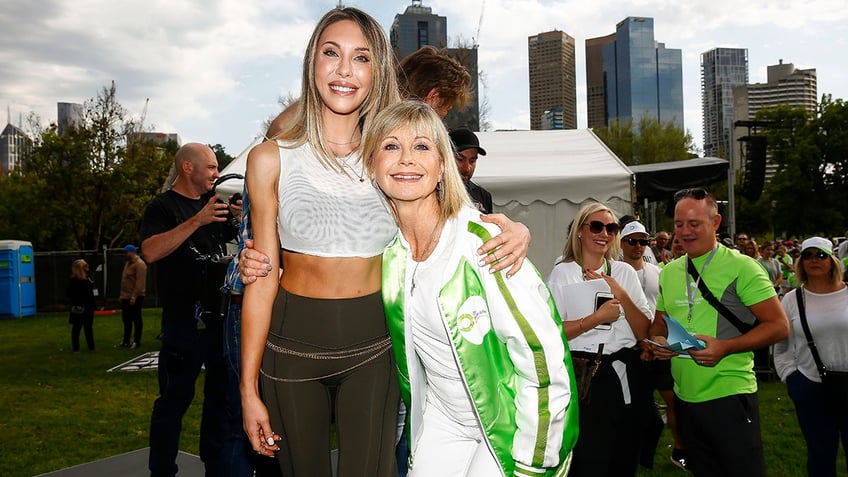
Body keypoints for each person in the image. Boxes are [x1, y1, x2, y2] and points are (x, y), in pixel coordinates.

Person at [240, 10, 532, 477]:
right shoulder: (270, 158)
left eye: (362, 58)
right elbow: (261, 278)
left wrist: (515, 230)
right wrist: (247, 389)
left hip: (374, 348)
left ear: (378, 72)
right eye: (330, 53)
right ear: (311, 61)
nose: (343, 70)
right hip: (288, 351)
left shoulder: (389, 157)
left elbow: (451, 217)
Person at [362, 99, 577, 476]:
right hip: (442, 422)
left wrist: (534, 461)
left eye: (422, 146)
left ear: (443, 165)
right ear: (372, 165)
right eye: (391, 146)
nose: (406, 159)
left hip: (510, 428)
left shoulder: (485, 243)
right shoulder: (389, 254)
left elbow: (543, 357)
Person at [648, 188, 790, 477]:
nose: (684, 232)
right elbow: (658, 325)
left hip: (729, 395)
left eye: (694, 224)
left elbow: (779, 326)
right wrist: (659, 341)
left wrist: (725, 347)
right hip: (685, 398)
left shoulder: (742, 267)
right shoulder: (669, 272)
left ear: (715, 223)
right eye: (678, 224)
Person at [140, 142, 240, 477]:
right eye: (211, 167)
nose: (216, 173)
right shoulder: (163, 207)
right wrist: (196, 221)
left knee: (220, 402)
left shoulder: (215, 206)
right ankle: (162, 470)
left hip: (220, 321)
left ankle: (215, 466)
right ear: (188, 168)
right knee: (173, 402)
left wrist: (238, 221)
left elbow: (232, 248)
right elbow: (151, 252)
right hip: (183, 324)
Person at [547, 203, 652, 477]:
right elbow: (552, 333)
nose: (604, 233)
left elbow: (645, 332)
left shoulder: (624, 272)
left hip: (624, 371)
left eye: (611, 228)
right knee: (589, 458)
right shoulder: (563, 273)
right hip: (585, 378)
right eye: (596, 226)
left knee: (624, 455)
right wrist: (595, 318)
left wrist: (621, 293)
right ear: (580, 231)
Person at [774, 236, 848, 477]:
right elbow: (781, 344)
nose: (814, 260)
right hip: (810, 386)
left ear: (833, 261)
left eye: (821, 255)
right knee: (820, 454)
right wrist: (792, 377)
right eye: (808, 255)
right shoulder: (792, 299)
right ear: (800, 262)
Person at [620, 221, 687, 469]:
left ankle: (680, 449)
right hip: (630, 349)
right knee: (637, 409)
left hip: (659, 346)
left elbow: (664, 309)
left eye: (643, 241)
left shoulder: (658, 271)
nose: (638, 246)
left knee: (673, 401)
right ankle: (637, 455)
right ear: (622, 244)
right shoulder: (615, 271)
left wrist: (661, 340)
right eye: (632, 241)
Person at [449, 128, 492, 214]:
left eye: (472, 161)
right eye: (460, 159)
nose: (467, 168)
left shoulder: (483, 195)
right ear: (445, 157)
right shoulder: (430, 192)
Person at [119, 244, 147, 349]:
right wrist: (122, 295)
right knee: (126, 319)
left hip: (136, 296)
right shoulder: (127, 263)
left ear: (132, 252)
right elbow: (124, 280)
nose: (124, 254)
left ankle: (136, 341)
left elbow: (140, 283)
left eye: (126, 252)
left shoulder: (140, 264)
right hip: (125, 296)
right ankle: (126, 341)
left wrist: (134, 296)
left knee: (136, 318)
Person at [67, 259, 96, 353]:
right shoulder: (74, 281)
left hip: (88, 307)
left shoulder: (87, 279)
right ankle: (76, 348)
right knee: (76, 328)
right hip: (78, 307)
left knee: (88, 328)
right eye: (85, 266)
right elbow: (70, 294)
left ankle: (91, 346)